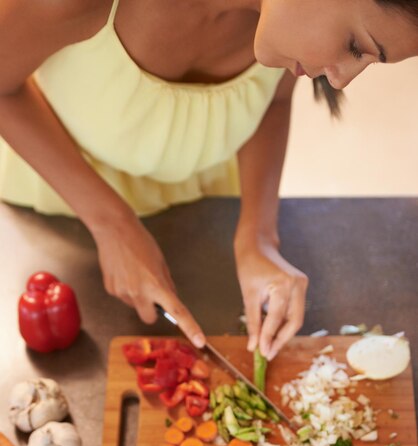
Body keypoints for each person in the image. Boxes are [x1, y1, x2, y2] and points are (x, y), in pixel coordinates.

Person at [0, 0, 417, 360]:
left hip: (198, 201)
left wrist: (258, 237)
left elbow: (273, 99)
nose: (341, 79)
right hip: (62, 189)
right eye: (356, 47)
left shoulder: (280, 23)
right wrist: (113, 225)